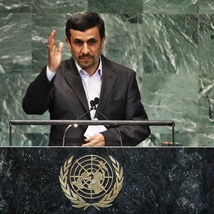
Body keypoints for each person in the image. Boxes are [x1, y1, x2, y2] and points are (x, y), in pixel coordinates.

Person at [22, 12, 150, 146]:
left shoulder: (124, 77)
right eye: (78, 43)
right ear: (68, 43)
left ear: (102, 41)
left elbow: (140, 127)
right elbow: (31, 107)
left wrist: (108, 138)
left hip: (111, 163)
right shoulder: (56, 76)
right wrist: (51, 70)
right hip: (65, 163)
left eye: (91, 42)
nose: (85, 50)